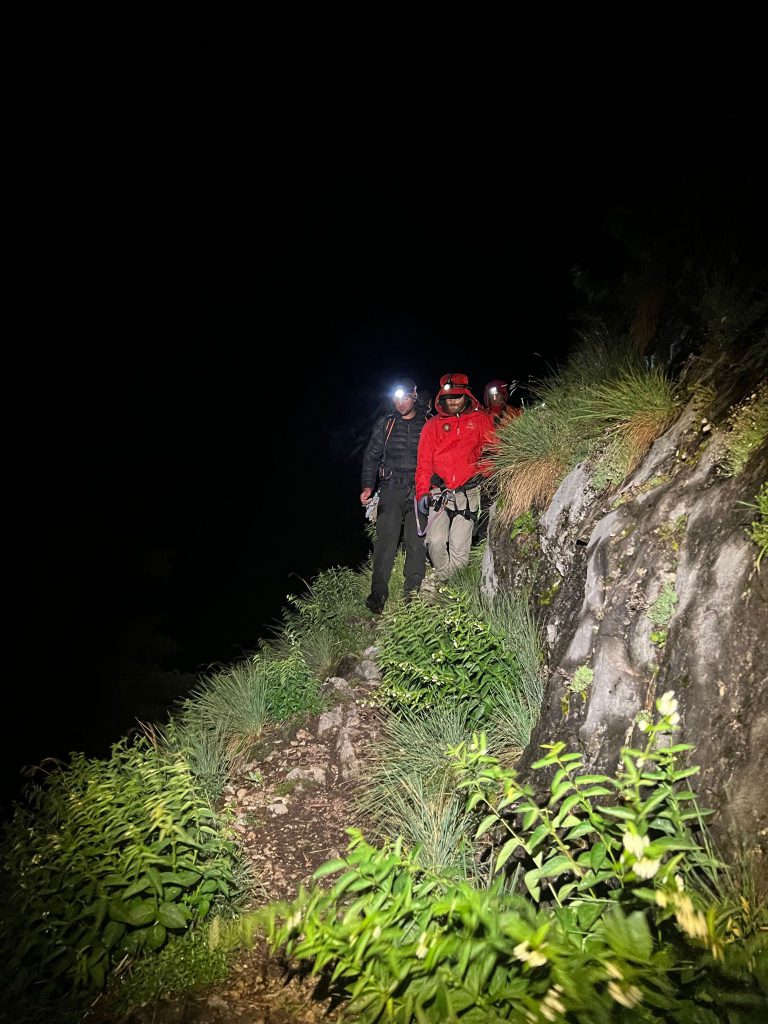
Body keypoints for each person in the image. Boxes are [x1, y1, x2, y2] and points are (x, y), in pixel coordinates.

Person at [360, 379, 431, 614]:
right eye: (396, 398)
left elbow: (437, 456)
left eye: (405, 397)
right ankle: (378, 594)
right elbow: (371, 456)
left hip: (419, 489)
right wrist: (368, 486)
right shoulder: (386, 423)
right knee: (385, 542)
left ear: (415, 395)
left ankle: (411, 594)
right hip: (391, 488)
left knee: (415, 542)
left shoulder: (428, 423)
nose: (400, 403)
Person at [415, 373, 495, 582]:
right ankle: (446, 580)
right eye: (448, 397)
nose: (451, 401)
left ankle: (451, 590)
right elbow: (423, 463)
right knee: (435, 541)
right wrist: (422, 492)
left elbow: (493, 452)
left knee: (460, 548)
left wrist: (485, 476)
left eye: (457, 396)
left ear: (467, 396)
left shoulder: (481, 420)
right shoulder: (432, 426)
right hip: (439, 494)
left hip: (468, 494)